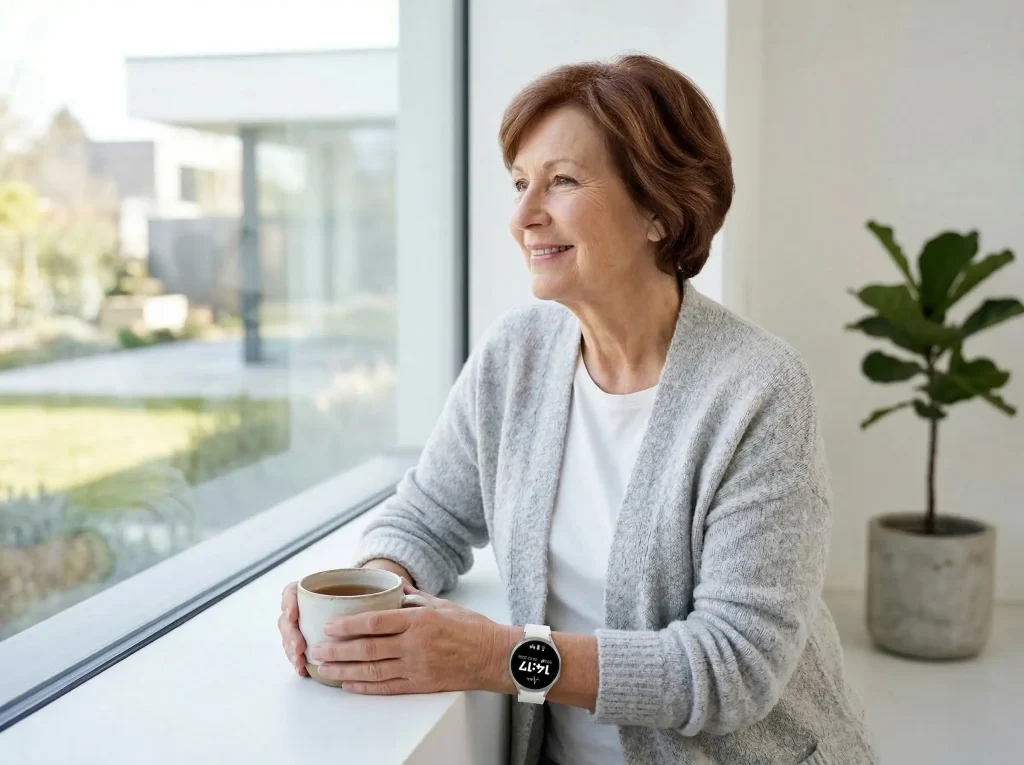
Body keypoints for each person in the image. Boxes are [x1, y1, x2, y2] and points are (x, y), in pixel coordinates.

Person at [278, 52, 878, 765]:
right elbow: (429, 514)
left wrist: (503, 657)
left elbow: (734, 667)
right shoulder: (516, 355)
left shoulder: (760, 389)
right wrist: (372, 596)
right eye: (520, 184)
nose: (524, 216)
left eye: (561, 182)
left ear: (659, 209)